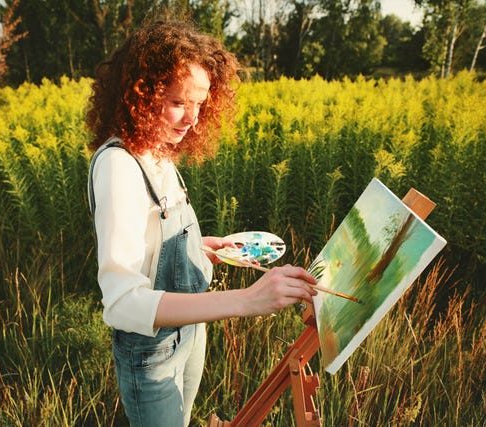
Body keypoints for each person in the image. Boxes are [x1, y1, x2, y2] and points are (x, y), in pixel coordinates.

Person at [85, 20, 318, 427]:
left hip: (190, 333)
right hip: (151, 352)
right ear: (139, 93)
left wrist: (202, 246)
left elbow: (153, 241)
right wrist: (247, 300)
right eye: (178, 102)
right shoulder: (118, 167)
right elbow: (122, 303)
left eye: (200, 103)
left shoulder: (157, 150)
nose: (192, 119)